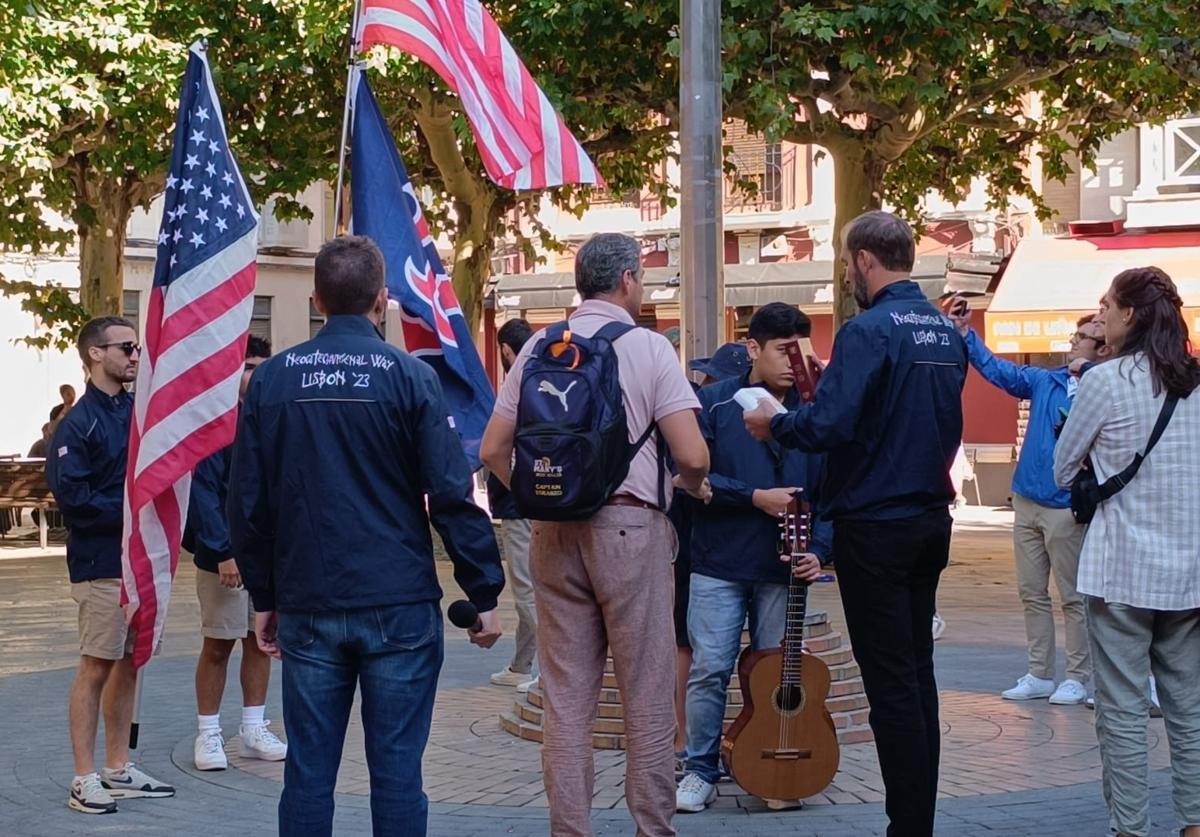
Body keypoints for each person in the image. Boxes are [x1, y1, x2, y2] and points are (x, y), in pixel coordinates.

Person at [227, 236, 506, 837]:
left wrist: (265, 597)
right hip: (398, 600)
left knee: (307, 772)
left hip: (308, 598)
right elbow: (450, 492)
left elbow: (247, 502)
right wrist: (483, 589)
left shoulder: (272, 381)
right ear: (383, 299)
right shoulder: (410, 377)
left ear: (319, 298)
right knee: (399, 771)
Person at [480, 232, 711, 837]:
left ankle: (570, 830)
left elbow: (492, 449)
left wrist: (536, 500)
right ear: (629, 279)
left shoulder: (535, 347)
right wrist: (686, 485)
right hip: (633, 530)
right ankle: (652, 829)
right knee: (648, 698)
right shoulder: (648, 348)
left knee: (567, 703)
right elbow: (693, 455)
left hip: (554, 534)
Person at [745, 211, 966, 836]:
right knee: (917, 676)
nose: (846, 275)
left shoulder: (869, 329)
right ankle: (916, 819)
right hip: (929, 517)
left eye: (846, 264)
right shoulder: (944, 331)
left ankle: (908, 827)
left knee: (890, 685)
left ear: (866, 260)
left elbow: (830, 427)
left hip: (877, 523)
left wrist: (776, 424)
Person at [1053, 267, 1200, 837]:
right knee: (1188, 709)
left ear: (1131, 315)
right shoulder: (1195, 382)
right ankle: (1192, 824)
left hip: (1121, 570)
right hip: (1189, 570)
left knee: (1121, 712)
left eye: (1107, 306)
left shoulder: (1105, 381)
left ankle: (1132, 829)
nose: (1102, 316)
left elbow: (1063, 468)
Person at [675, 304, 832, 814]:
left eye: (802, 351)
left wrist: (820, 550)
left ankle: (772, 764)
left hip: (785, 570)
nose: (794, 362)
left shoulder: (818, 407)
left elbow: (834, 491)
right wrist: (755, 497)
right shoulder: (714, 402)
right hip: (719, 561)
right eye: (783, 351)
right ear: (753, 349)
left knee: (777, 680)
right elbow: (690, 479)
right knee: (711, 669)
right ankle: (699, 768)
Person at [946, 300, 1110, 705]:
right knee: (1031, 592)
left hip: (1065, 506)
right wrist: (967, 336)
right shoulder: (1046, 381)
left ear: (1103, 349)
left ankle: (1077, 675)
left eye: (1083, 338)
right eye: (1074, 336)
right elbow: (1002, 372)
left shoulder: (1104, 387)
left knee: (1072, 596)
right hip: (1027, 499)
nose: (1073, 342)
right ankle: (1040, 673)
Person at [46, 316, 175, 815]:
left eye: (137, 347)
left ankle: (118, 766)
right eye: (124, 347)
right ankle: (83, 777)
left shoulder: (136, 413)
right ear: (95, 354)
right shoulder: (77, 424)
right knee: (96, 665)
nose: (134, 356)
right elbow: (74, 502)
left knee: (130, 662)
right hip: (101, 564)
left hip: (139, 561)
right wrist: (134, 510)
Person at [187, 335, 287, 771]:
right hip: (225, 558)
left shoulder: (269, 416)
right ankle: (208, 733)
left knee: (260, 641)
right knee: (218, 643)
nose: (255, 374)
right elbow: (203, 493)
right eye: (248, 365)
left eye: (262, 365)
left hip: (265, 556)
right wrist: (222, 550)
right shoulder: (214, 423)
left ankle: (253, 726)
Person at [671, 342, 752, 762]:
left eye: (709, 376)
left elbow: (686, 473)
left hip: (694, 545)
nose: (701, 383)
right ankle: (688, 741)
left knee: (690, 647)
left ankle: (685, 739)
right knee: (695, 651)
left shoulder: (709, 415)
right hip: (703, 545)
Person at [487, 317, 539, 693]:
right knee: (535, 587)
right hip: (547, 501)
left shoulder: (517, 384)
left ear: (506, 350)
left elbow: (493, 451)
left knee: (528, 591)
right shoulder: (541, 378)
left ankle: (543, 671)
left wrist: (517, 489)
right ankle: (522, 665)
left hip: (522, 508)